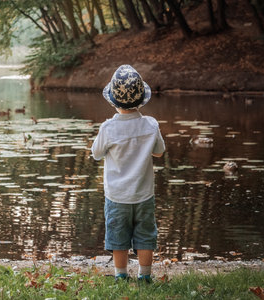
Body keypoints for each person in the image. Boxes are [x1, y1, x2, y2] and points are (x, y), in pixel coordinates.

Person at [91, 65, 165, 282]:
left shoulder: (108, 128)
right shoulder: (150, 125)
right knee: (145, 236)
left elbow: (96, 154)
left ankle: (121, 276)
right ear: (142, 98)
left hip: (117, 196)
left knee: (118, 237)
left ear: (113, 101)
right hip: (144, 195)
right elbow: (159, 152)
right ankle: (145, 276)